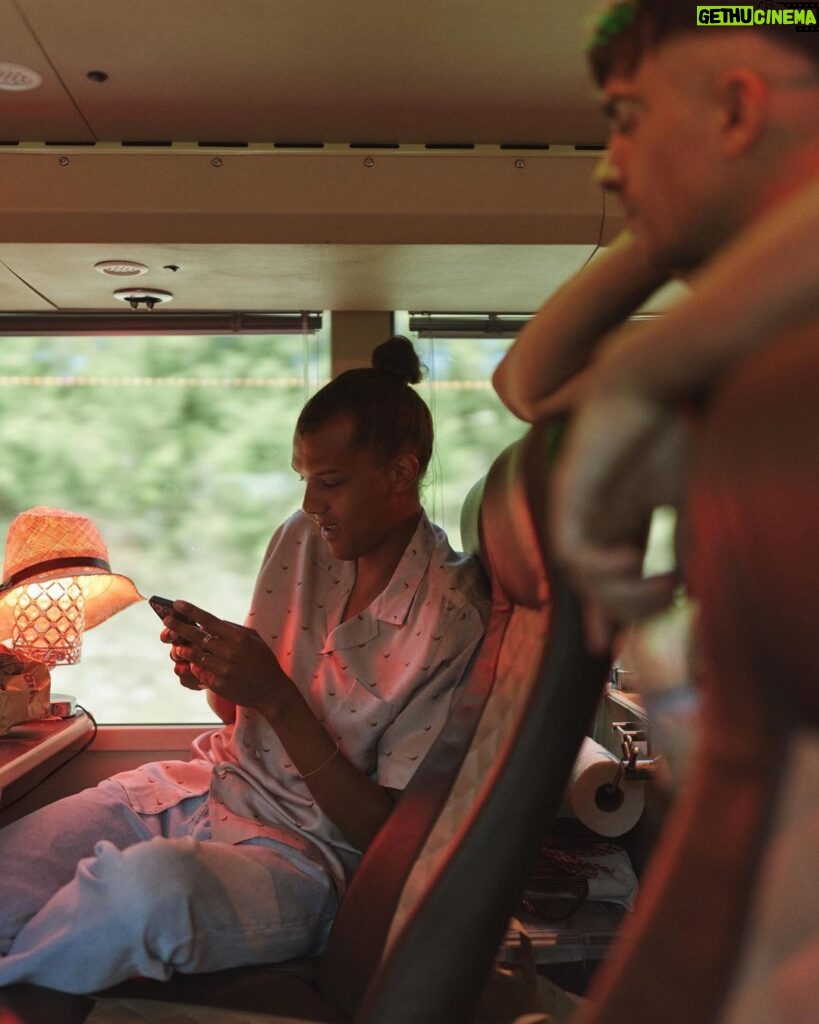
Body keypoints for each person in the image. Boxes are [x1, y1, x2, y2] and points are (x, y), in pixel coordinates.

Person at [0, 336, 489, 994]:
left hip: (302, 857)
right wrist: (218, 676)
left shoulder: (450, 617)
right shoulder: (302, 539)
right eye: (304, 479)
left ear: (401, 474)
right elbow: (238, 717)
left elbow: (383, 832)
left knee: (142, 893)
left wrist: (278, 698)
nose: (312, 503)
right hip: (204, 788)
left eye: (332, 481)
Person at [493, 1, 819, 648]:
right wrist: (664, 214)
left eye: (627, 119)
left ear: (735, 111)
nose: (604, 167)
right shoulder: (722, 346)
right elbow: (528, 384)